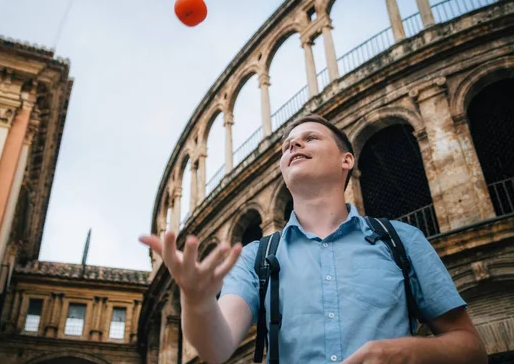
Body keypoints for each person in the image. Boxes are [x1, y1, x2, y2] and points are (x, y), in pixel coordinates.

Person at [140, 115, 487, 363]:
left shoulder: (401, 241)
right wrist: (196, 299)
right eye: (288, 145)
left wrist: (406, 352)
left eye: (310, 138)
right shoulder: (255, 258)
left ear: (346, 160)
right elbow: (216, 348)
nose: (294, 143)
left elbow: (471, 348)